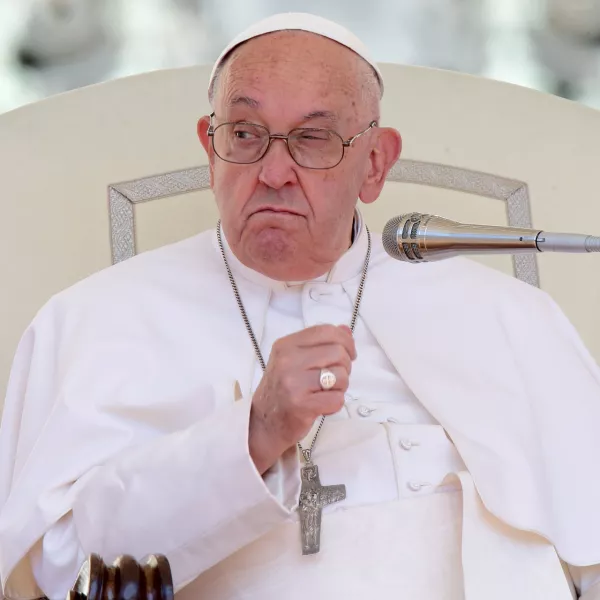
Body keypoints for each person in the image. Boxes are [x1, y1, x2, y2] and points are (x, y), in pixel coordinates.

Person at [1, 11, 600, 600]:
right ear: (211, 149)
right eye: (245, 134)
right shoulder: (97, 318)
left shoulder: (506, 314)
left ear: (375, 164)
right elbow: (60, 569)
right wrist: (253, 434)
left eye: (313, 138)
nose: (274, 172)